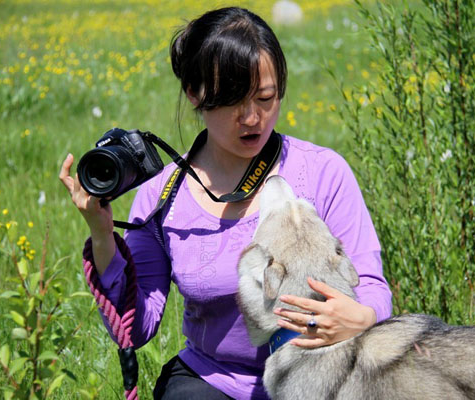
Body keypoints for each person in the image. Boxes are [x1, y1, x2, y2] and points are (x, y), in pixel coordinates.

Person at [59, 6, 391, 400]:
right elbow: (135, 328)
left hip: (319, 373)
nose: (252, 117)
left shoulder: (323, 172)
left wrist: (360, 318)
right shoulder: (162, 196)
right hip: (215, 381)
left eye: (266, 97)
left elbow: (371, 287)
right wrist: (101, 236)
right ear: (194, 94)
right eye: (233, 101)